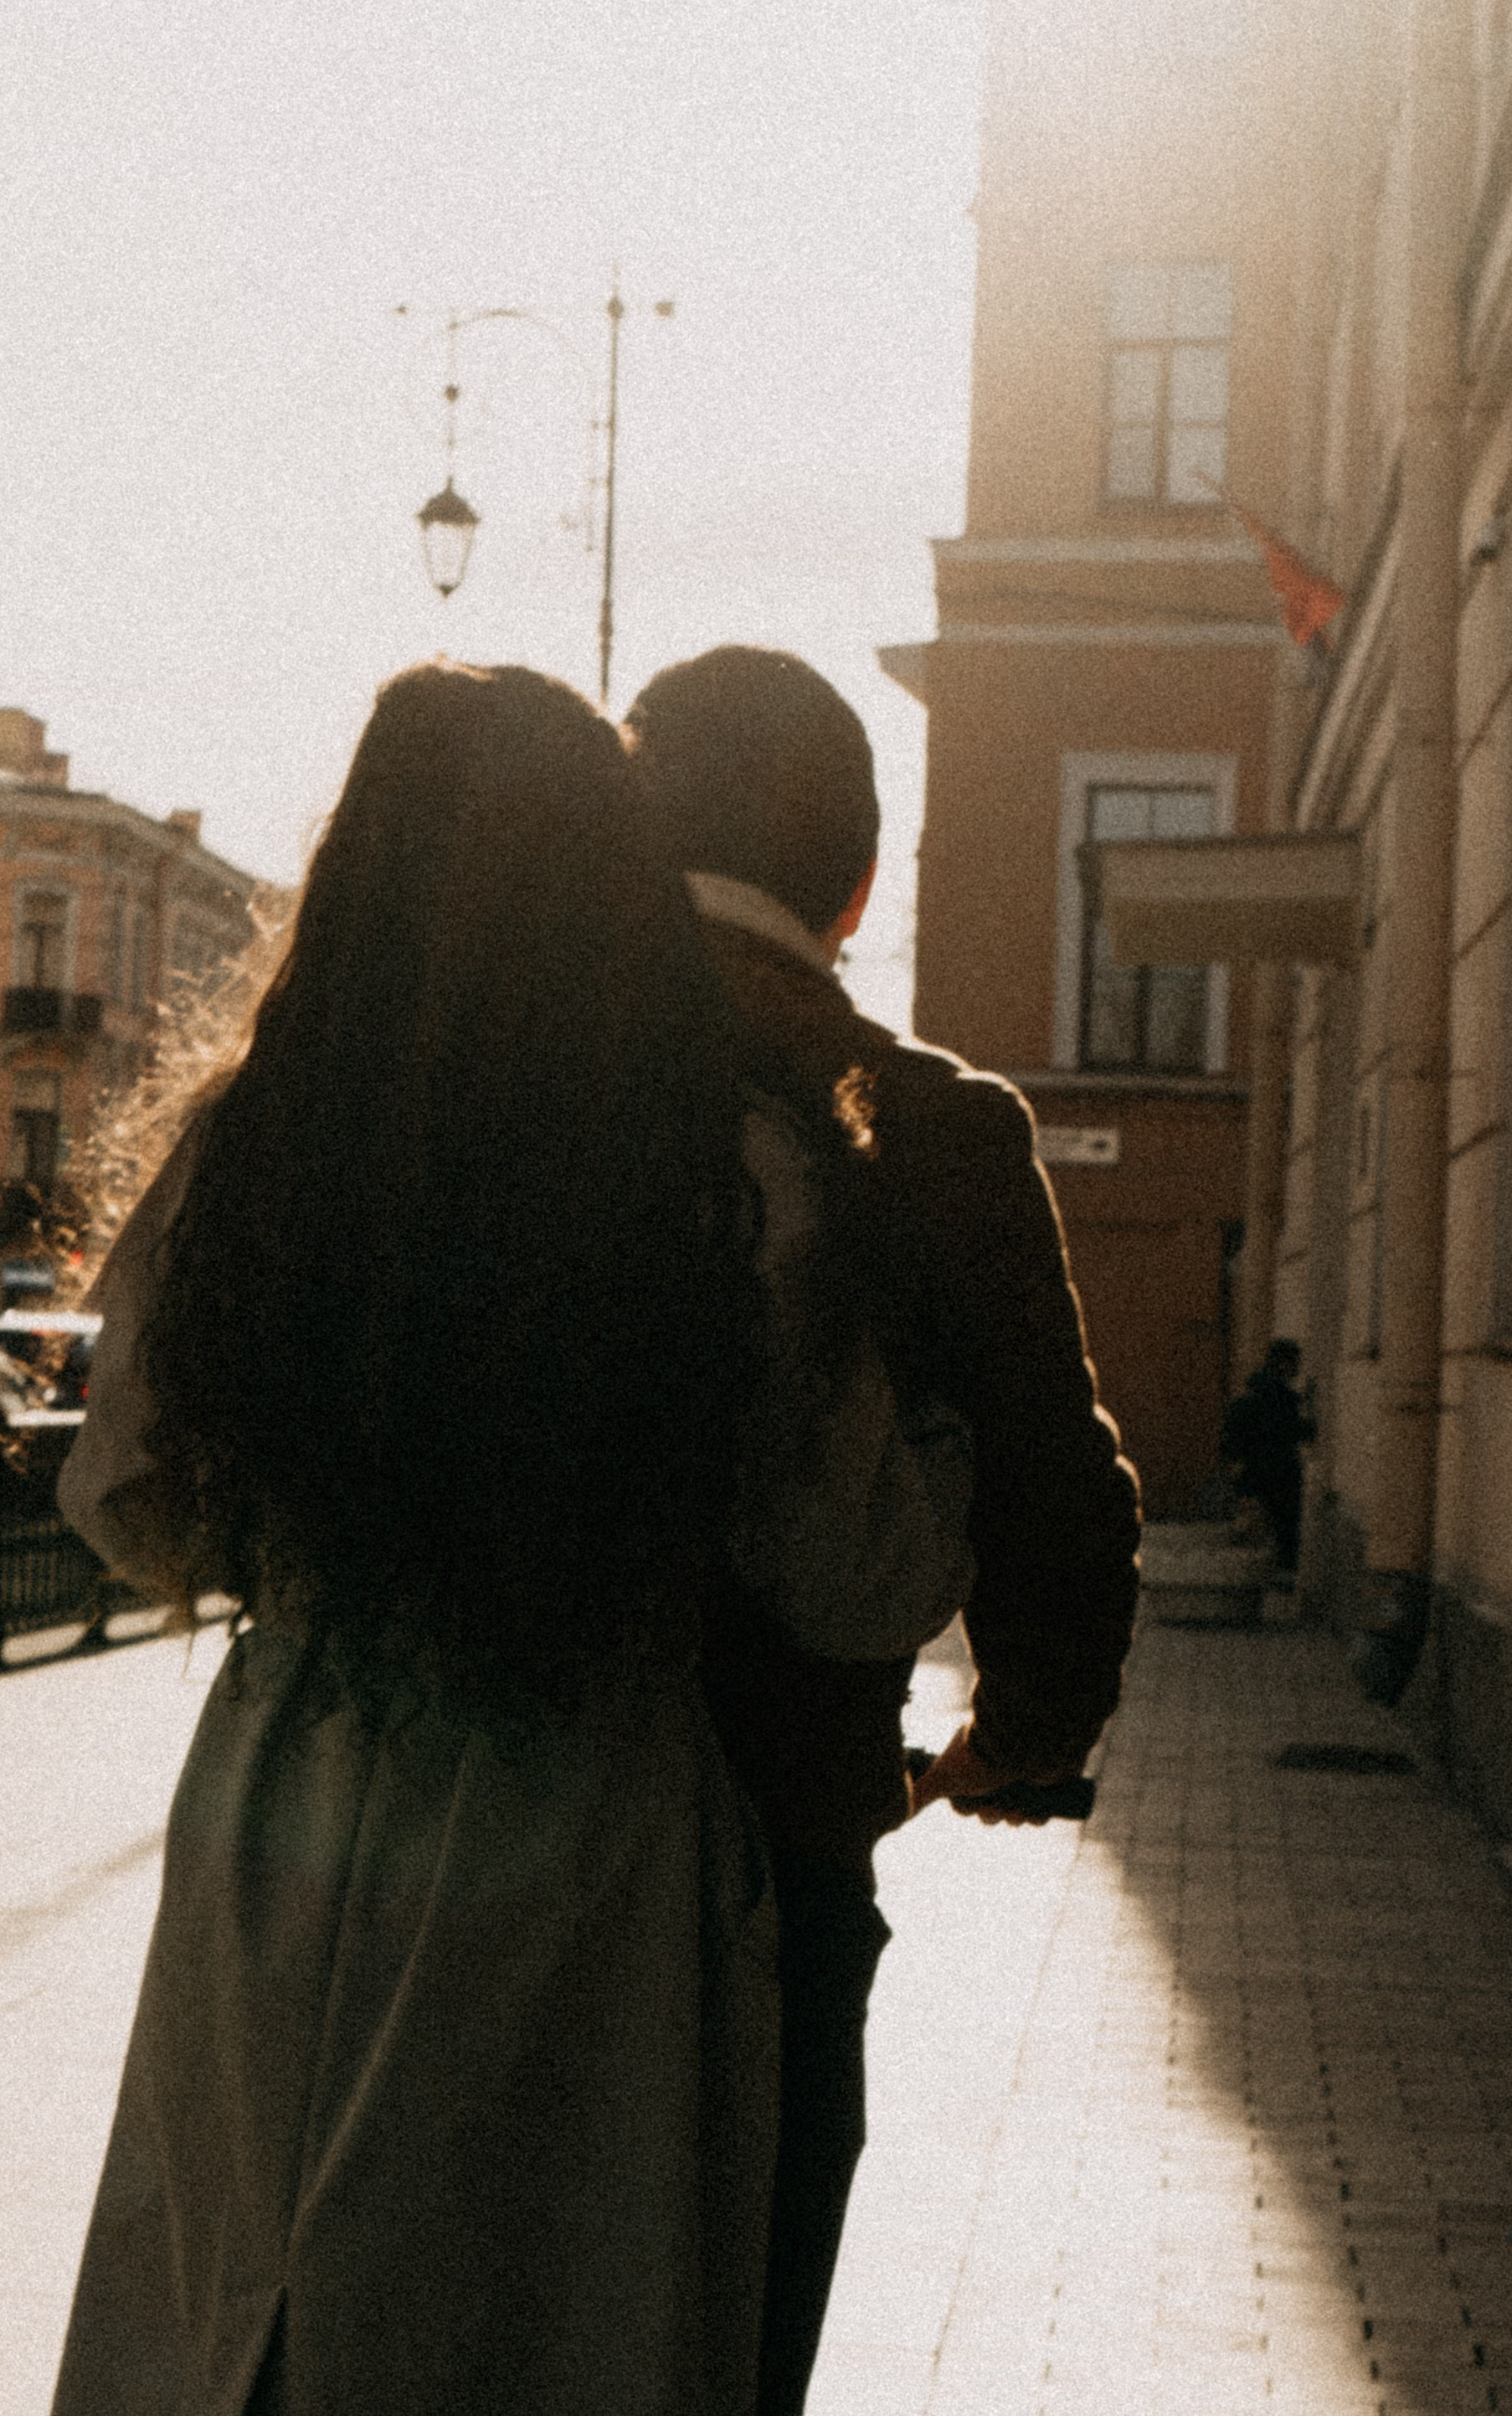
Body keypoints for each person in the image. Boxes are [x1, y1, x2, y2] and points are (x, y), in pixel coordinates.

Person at [49, 661, 959, 2416]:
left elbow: (118, 1492)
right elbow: (864, 1576)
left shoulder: (253, 1155)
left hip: (289, 1782)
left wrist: (314, 1541)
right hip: (593, 1798)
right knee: (537, 2308)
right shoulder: (722, 1176)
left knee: (242, 2290)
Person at [624, 643, 1144, 2416]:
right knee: (739, 2321)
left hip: (478, 1824)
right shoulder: (940, 1127)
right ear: (854, 883)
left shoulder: (516, 1088)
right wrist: (1022, 1732)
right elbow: (1055, 1488)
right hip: (787, 1825)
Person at [1222, 1336, 1316, 1574]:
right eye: (1295, 1362)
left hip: (1256, 1475)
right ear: (1284, 1363)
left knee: (1264, 1539)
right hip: (1278, 1476)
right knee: (1283, 1536)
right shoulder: (1279, 1399)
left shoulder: (1253, 1395)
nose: (1297, 1369)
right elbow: (1290, 1432)